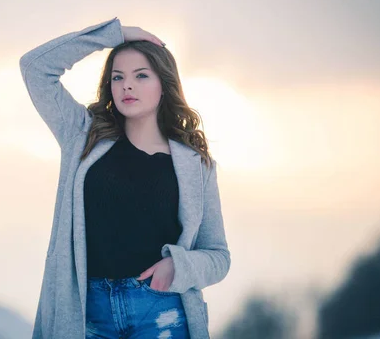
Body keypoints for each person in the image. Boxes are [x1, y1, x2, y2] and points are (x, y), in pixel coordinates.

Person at [19, 17, 231, 339]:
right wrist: (114, 35)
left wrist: (179, 266)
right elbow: (35, 67)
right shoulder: (83, 136)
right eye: (118, 77)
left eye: (141, 76)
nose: (126, 85)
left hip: (161, 312)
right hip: (90, 315)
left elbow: (218, 256)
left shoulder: (194, 165)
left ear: (164, 85)